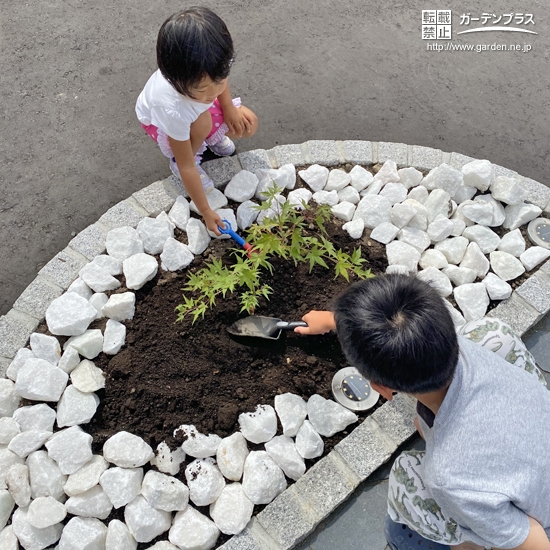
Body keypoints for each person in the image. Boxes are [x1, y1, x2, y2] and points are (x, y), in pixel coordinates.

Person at [295, 274, 550, 550]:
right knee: (491, 333)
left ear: (381, 389)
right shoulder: (462, 345)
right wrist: (337, 321)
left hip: (540, 519)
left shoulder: (450, 477)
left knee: (407, 477)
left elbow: (535, 543)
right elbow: (400, 325)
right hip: (532, 435)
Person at [135, 7, 258, 234]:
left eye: (218, 82)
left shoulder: (208, 70)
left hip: (192, 107)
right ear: (175, 79)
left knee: (247, 122)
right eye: (203, 89)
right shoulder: (171, 108)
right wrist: (206, 210)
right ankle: (196, 146)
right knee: (201, 126)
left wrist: (229, 108)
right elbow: (186, 166)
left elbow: (215, 85)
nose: (213, 94)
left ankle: (207, 137)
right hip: (160, 122)